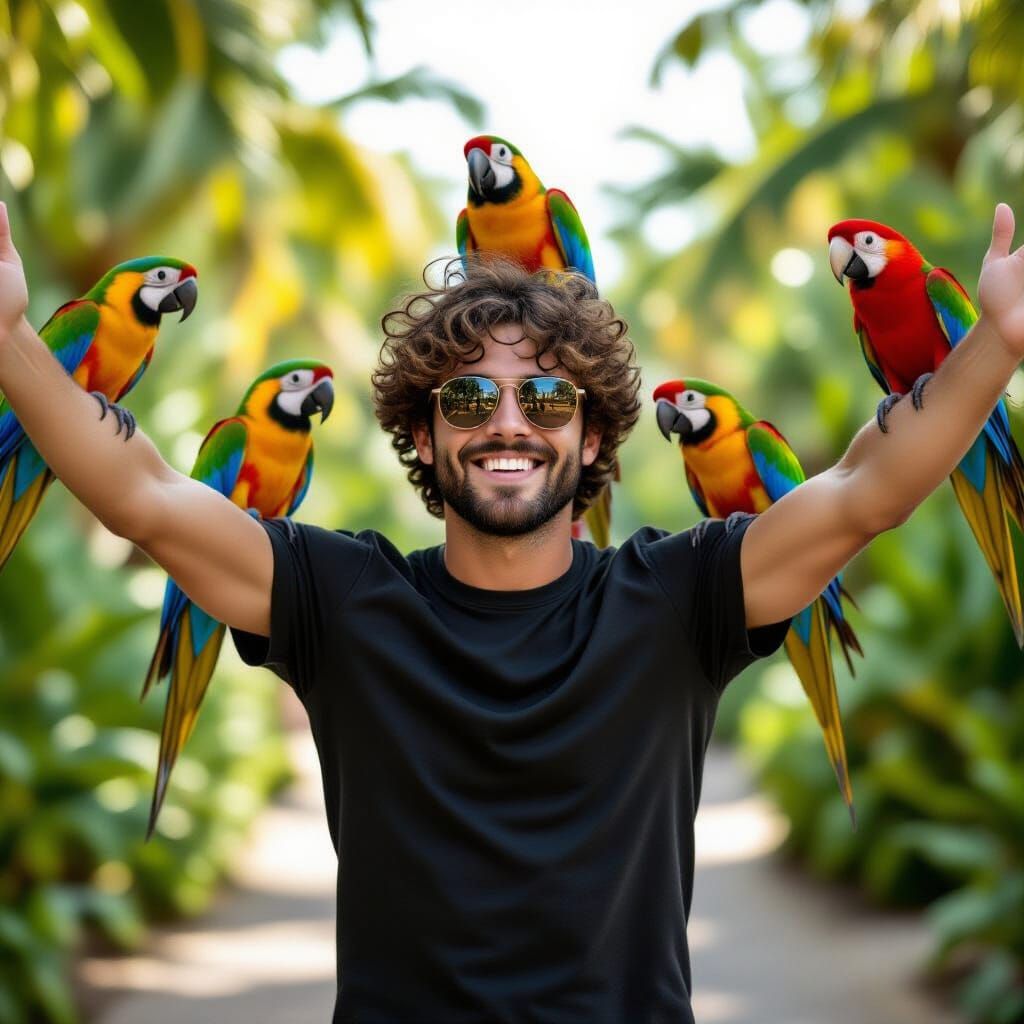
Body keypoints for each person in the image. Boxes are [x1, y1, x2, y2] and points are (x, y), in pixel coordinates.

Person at [1, 202, 1023, 1023]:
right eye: (465, 400)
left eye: (544, 401)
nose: (504, 424)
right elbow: (141, 492)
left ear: (591, 442)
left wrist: (996, 342)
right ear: (420, 432)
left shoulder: (678, 599)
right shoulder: (340, 600)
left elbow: (865, 490)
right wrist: (9, 338)